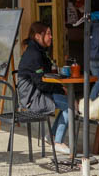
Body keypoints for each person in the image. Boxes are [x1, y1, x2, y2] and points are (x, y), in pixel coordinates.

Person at [17, 22, 70, 154]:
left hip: (37, 93)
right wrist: (59, 88)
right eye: (48, 34)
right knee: (71, 106)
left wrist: (59, 86)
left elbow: (44, 77)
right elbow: (40, 82)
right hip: (32, 98)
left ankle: (51, 136)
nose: (51, 37)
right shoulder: (33, 54)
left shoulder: (38, 51)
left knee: (68, 102)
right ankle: (57, 142)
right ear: (37, 36)